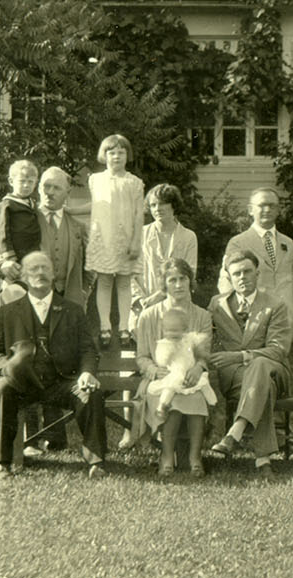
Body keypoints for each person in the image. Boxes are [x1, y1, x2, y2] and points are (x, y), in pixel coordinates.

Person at [0, 252, 109, 480]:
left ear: (54, 274)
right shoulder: (8, 312)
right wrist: (7, 369)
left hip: (61, 383)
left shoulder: (73, 310)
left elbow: (88, 350)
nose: (40, 273)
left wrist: (87, 372)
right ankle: (2, 463)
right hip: (21, 383)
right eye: (33, 269)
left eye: (44, 268)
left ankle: (96, 462)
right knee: (2, 390)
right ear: (23, 275)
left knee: (91, 392)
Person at [206, 251, 292, 480]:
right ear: (229, 277)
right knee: (262, 388)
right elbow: (201, 333)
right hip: (234, 379)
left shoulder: (275, 305)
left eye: (247, 271)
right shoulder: (217, 305)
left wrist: (240, 356)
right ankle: (262, 460)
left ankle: (235, 431)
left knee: (260, 365)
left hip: (273, 371)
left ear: (257, 273)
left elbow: (278, 350)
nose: (242, 277)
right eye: (236, 273)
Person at [131, 259, 215, 477]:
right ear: (164, 284)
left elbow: (204, 355)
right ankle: (167, 455)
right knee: (173, 400)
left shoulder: (203, 316)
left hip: (190, 378)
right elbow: (141, 357)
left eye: (183, 279)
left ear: (190, 281)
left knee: (196, 398)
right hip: (160, 381)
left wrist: (199, 368)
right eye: (172, 280)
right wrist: (154, 370)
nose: (178, 285)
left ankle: (195, 457)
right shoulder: (149, 316)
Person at [220, 187, 293, 361]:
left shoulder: (288, 243)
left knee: (282, 370)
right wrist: (237, 316)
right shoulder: (238, 243)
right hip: (255, 319)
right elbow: (227, 282)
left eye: (272, 205)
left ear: (278, 210)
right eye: (262, 205)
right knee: (257, 368)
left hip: (286, 318)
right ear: (250, 210)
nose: (267, 210)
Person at [85, 134, 143, 347]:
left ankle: (124, 327)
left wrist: (136, 241)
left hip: (125, 239)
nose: (116, 156)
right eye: (112, 152)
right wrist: (70, 210)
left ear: (127, 156)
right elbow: (96, 207)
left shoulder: (134, 183)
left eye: (121, 152)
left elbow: (138, 214)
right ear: (104, 155)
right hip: (104, 238)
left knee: (124, 282)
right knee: (105, 281)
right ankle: (105, 326)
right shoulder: (95, 180)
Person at [132, 183, 198, 316]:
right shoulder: (139, 234)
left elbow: (189, 274)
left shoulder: (188, 237)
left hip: (176, 304)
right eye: (153, 205)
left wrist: (158, 297)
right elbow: (128, 272)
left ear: (173, 205)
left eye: (162, 203)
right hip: (143, 306)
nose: (157, 209)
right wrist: (140, 300)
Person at [0, 159, 43, 303]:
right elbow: (2, 234)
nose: (26, 185)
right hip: (15, 255)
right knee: (11, 289)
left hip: (31, 253)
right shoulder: (7, 205)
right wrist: (9, 257)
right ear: (11, 181)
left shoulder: (32, 204)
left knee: (29, 291)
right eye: (22, 181)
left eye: (30, 182)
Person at [37, 166, 88, 314]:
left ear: (68, 192)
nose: (50, 192)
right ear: (39, 188)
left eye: (57, 188)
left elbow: (89, 263)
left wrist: (84, 290)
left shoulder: (78, 224)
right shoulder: (26, 218)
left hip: (69, 300)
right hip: (34, 299)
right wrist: (0, 265)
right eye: (46, 186)